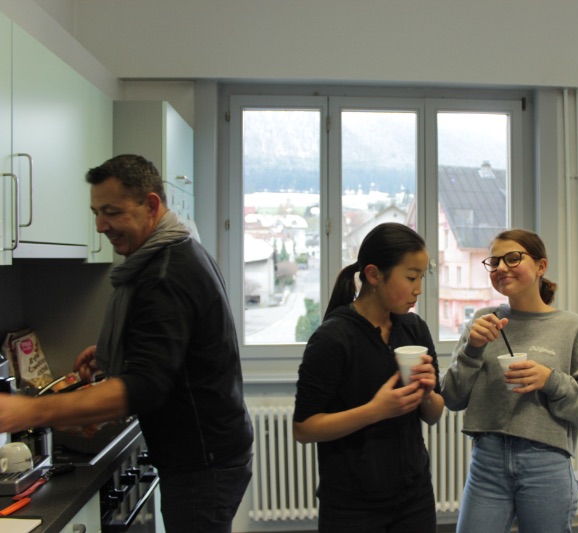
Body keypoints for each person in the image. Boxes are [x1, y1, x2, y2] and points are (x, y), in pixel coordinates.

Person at [0, 154, 253, 533]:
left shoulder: (165, 274)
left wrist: (27, 412)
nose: (101, 226)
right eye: (96, 213)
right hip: (213, 452)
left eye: (112, 212)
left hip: (202, 464)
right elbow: (176, 346)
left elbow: (142, 388)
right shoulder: (179, 248)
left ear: (150, 205)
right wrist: (119, 353)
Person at [441, 228, 578, 533]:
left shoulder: (570, 328)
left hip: (545, 463)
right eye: (494, 262)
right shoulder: (483, 322)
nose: (501, 268)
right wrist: (472, 349)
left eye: (512, 258)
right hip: (487, 461)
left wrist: (551, 381)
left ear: (541, 266)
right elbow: (451, 398)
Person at [293, 222, 445, 533]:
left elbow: (433, 414)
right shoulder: (333, 338)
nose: (418, 289)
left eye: (422, 277)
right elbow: (304, 428)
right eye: (411, 277)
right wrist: (376, 411)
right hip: (351, 505)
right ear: (374, 275)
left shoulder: (414, 329)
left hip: (414, 496)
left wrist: (427, 393)